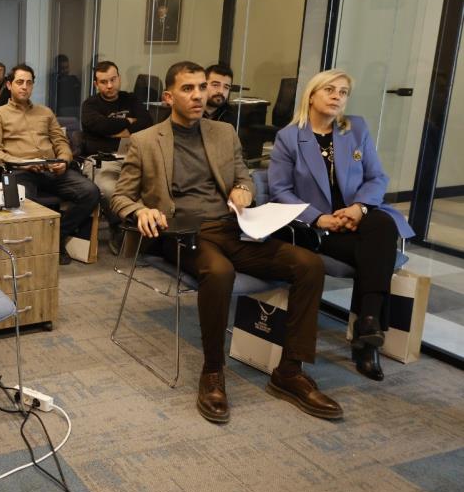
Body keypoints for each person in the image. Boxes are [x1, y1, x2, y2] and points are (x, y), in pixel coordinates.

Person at [111, 61, 340, 424]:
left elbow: (243, 178)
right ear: (169, 97)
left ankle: (289, 372)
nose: (198, 95)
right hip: (183, 233)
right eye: (188, 89)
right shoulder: (145, 141)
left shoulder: (224, 133)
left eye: (202, 87)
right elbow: (120, 197)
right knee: (219, 272)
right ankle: (213, 371)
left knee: (309, 265)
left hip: (232, 228)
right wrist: (141, 211)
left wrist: (244, 191)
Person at [268, 69, 414, 381]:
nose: (337, 97)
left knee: (382, 224)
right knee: (376, 254)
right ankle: (367, 337)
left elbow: (377, 177)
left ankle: (368, 321)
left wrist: (359, 208)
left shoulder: (355, 129)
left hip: (359, 218)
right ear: (311, 96)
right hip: (319, 227)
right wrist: (318, 217)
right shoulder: (289, 138)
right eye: (330, 90)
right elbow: (280, 190)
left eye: (343, 92)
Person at [0, 64, 100, 265]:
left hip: (51, 169)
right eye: (20, 82)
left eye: (29, 83)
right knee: (24, 204)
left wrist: (64, 160)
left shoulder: (45, 112)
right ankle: (35, 248)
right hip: (20, 171)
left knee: (91, 192)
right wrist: (22, 163)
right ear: (9, 85)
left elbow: (61, 142)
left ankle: (56, 236)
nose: (24, 87)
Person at [80, 61, 152, 253]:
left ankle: (146, 229)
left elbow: (147, 122)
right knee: (108, 188)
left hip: (134, 158)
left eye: (113, 80)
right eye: (104, 82)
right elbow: (99, 125)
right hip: (102, 161)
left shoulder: (131, 99)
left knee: (154, 186)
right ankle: (120, 227)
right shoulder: (90, 105)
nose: (110, 86)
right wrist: (128, 122)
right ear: (96, 84)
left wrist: (114, 130)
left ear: (119, 78)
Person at [204, 64, 238, 128]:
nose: (221, 91)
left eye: (226, 87)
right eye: (215, 85)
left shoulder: (231, 115)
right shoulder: (191, 111)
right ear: (203, 85)